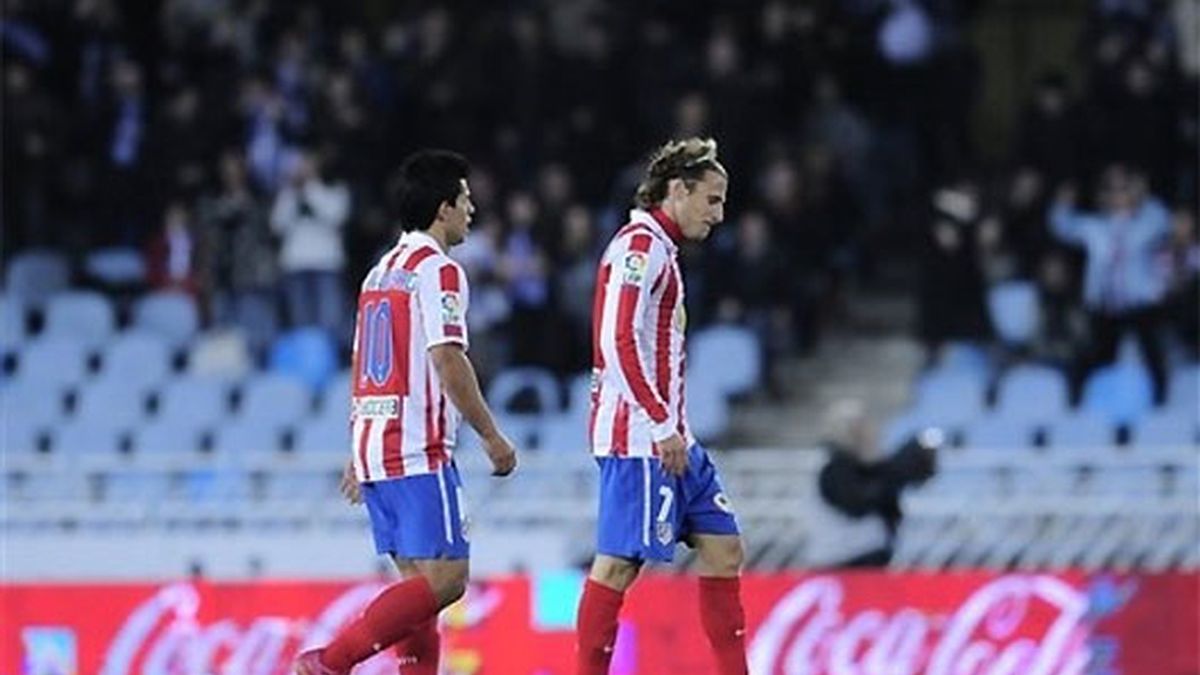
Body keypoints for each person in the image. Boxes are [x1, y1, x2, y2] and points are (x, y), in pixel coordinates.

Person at [295, 150, 518, 675]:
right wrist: (491, 436)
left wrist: (359, 451)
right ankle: (331, 661)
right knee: (447, 581)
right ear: (443, 208)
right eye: (465, 200)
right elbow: (447, 357)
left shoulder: (379, 274)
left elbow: (367, 365)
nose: (472, 210)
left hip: (378, 450)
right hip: (419, 450)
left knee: (418, 596)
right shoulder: (437, 271)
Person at [575, 138, 747, 675]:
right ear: (678, 191)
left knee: (724, 548)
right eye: (712, 200)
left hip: (675, 438)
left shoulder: (661, 250)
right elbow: (616, 339)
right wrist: (658, 422)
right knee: (618, 567)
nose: (718, 215)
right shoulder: (639, 248)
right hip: (639, 437)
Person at [1049, 165, 1172, 404]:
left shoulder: (1144, 223)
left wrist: (1143, 195)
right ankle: (1080, 402)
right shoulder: (1095, 227)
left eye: (1122, 191)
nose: (1117, 197)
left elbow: (1163, 220)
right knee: (1099, 356)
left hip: (1138, 304)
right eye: (1111, 191)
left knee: (1151, 354)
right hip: (1104, 304)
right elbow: (1062, 226)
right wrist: (1062, 203)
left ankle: (1161, 403)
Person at [808, 399, 938, 568]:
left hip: (866, 559)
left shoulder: (857, 467)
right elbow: (858, 503)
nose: (867, 434)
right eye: (858, 429)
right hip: (842, 562)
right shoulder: (831, 468)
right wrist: (896, 473)